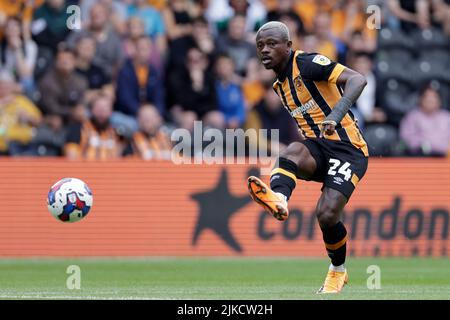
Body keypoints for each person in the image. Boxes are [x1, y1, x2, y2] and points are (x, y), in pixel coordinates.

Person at [247, 22, 369, 294]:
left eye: (271, 44)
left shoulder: (308, 63)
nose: (265, 50)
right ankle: (279, 198)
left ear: (288, 46)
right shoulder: (279, 85)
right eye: (260, 46)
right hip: (319, 147)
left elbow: (358, 79)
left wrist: (335, 116)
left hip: (348, 149)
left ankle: (338, 271)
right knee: (291, 151)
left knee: (326, 215)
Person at [64, 94, 125, 159]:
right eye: (98, 108)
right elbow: (71, 156)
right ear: (91, 110)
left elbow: (121, 157)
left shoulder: (117, 132)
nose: (101, 112)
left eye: (105, 108)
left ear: (111, 111)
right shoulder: (79, 129)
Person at [400, 84, 450, 156]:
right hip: (420, 156)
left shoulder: (447, 117)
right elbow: (405, 140)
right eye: (427, 97)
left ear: (440, 101)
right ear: (420, 99)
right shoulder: (413, 116)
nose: (430, 100)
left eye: (434, 97)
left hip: (445, 157)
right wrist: (424, 145)